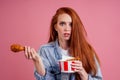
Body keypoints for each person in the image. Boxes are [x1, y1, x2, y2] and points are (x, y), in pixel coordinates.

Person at [24, 7, 103, 80]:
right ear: (55, 27)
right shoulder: (45, 51)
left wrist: (82, 73)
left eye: (71, 24)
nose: (67, 29)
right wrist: (37, 61)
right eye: (62, 24)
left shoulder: (87, 51)